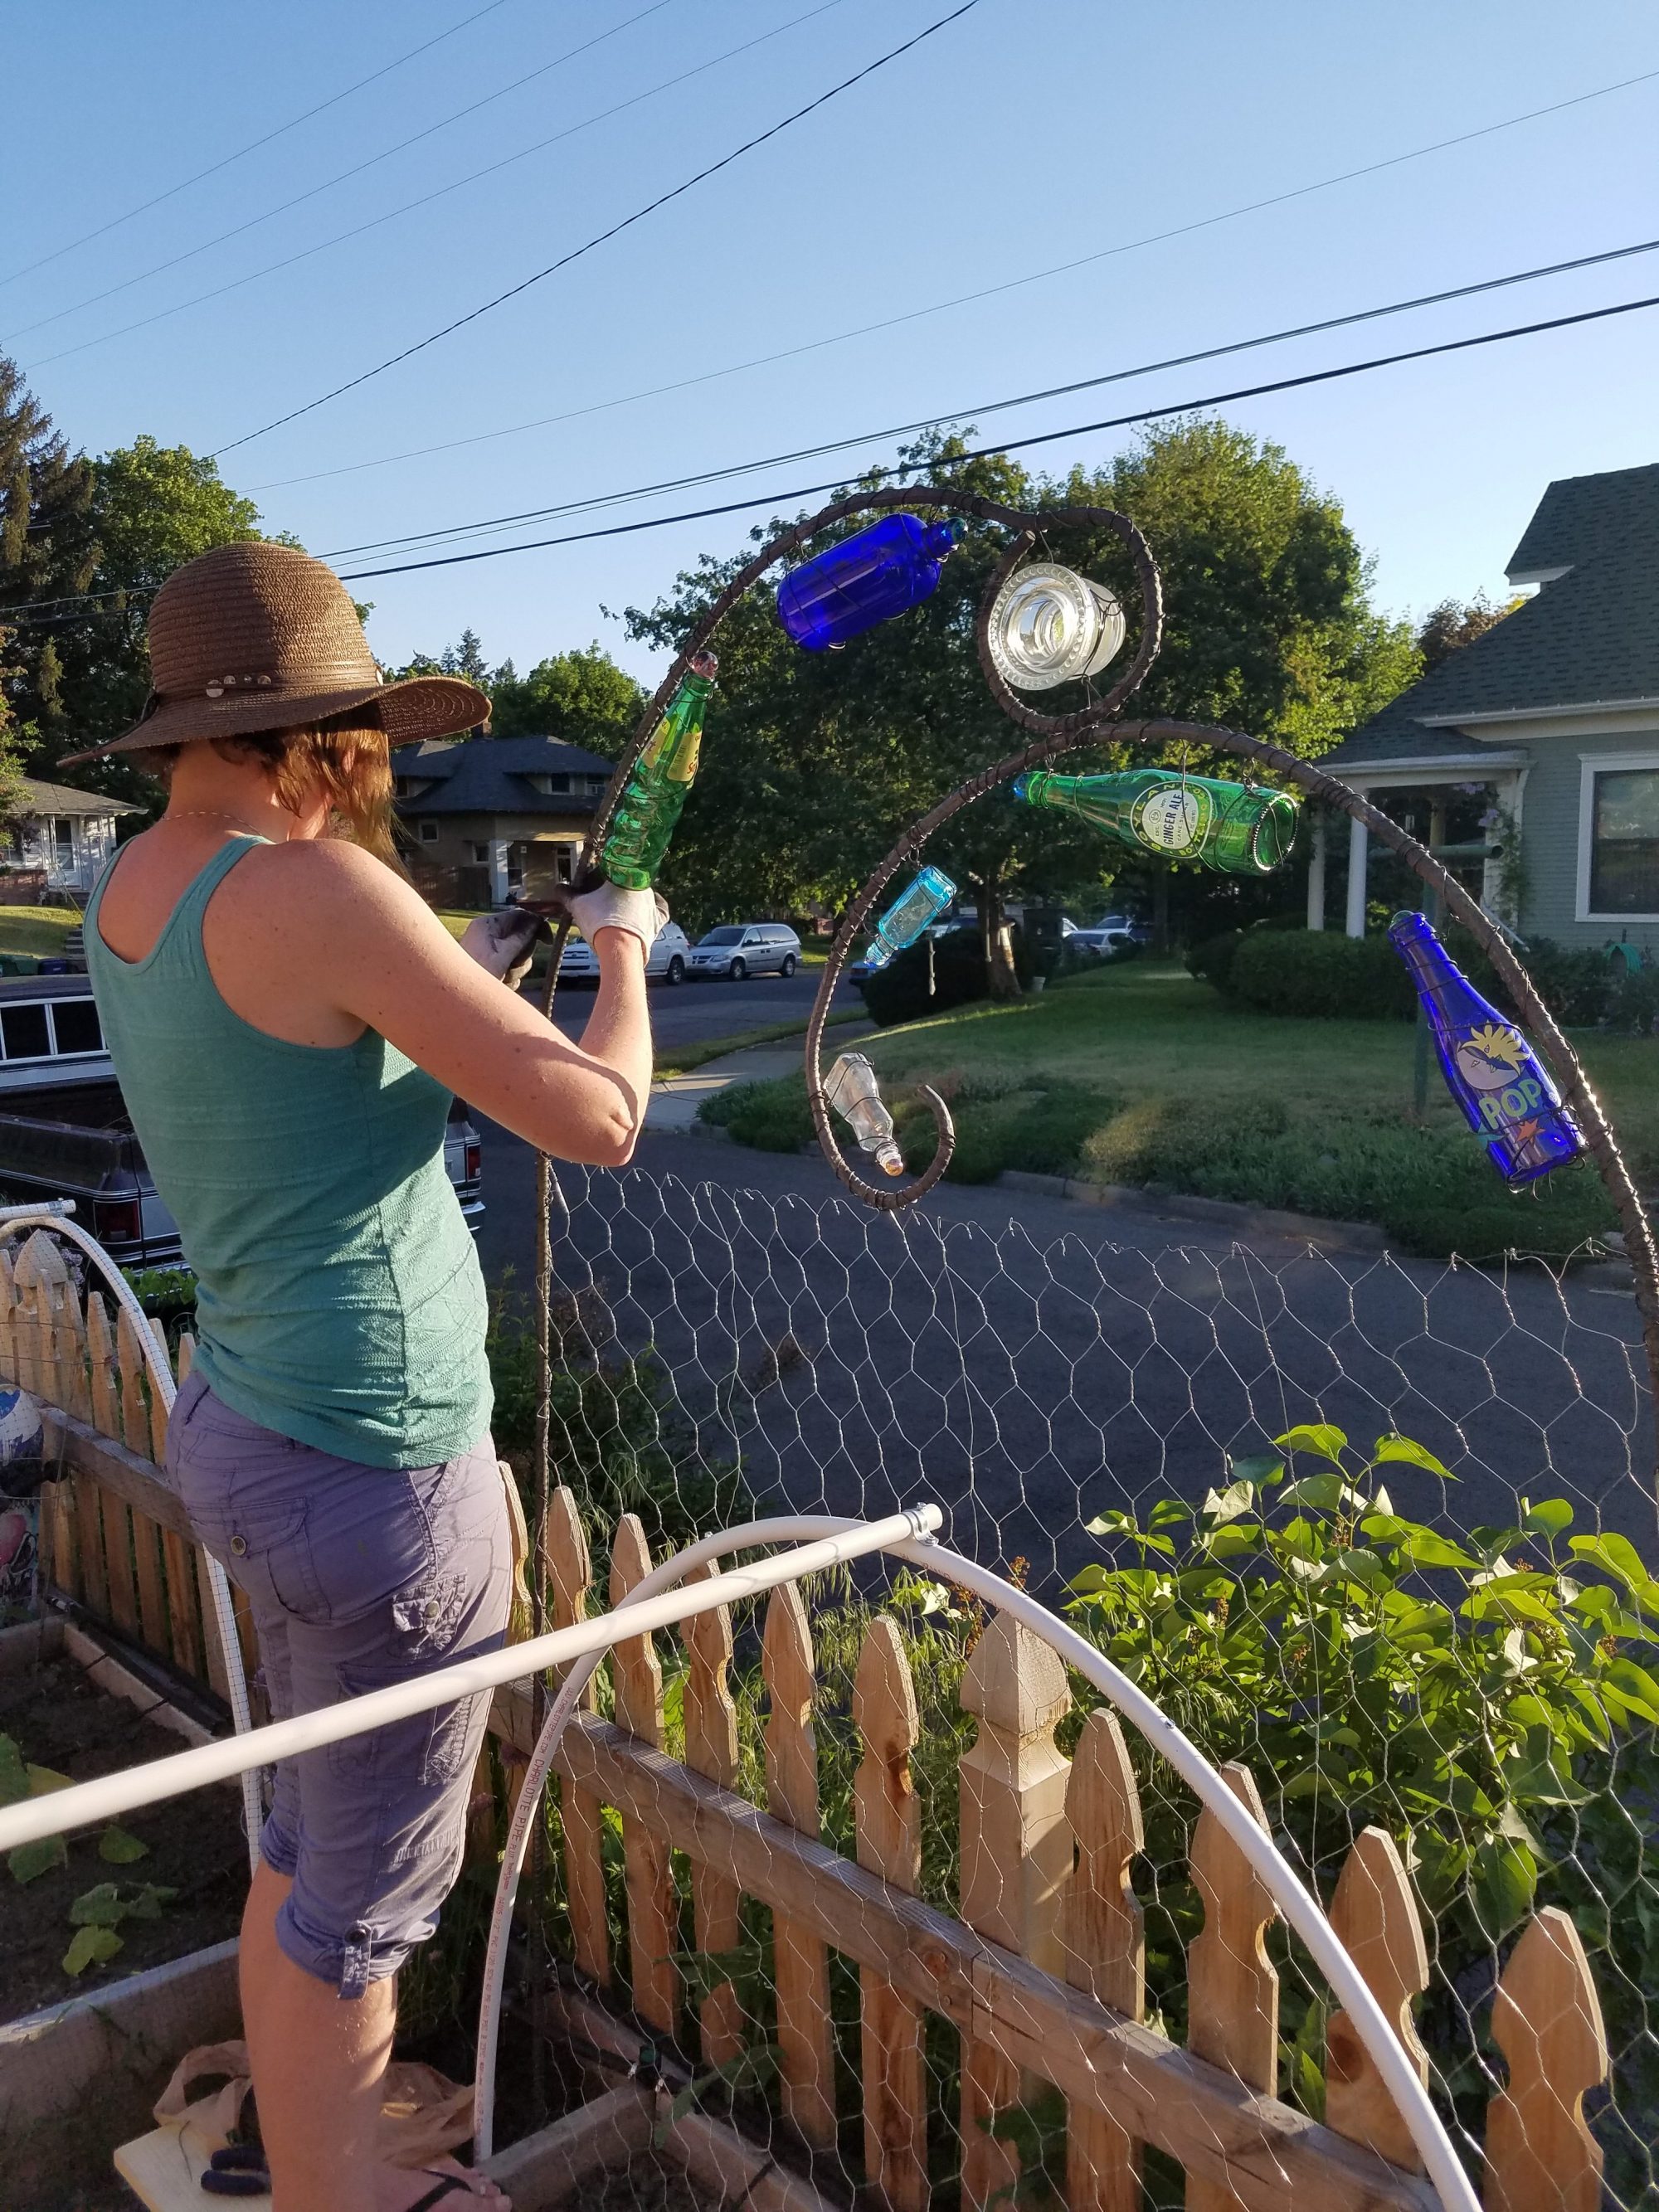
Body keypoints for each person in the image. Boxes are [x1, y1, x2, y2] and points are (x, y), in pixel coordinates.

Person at [75, 542, 660, 2212]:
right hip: (381, 1469)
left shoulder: (143, 881)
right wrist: (621, 953)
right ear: (317, 728)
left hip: (247, 1431)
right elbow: (599, 1117)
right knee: (362, 1910)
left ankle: (301, 2142)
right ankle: (345, 2192)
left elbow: (306, 1021)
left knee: (297, 1849)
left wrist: (463, 944)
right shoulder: (322, 889)